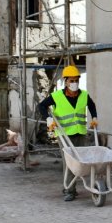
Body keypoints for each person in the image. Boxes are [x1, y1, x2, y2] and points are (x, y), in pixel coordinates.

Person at [37, 65, 98, 202]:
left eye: (76, 80)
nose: (74, 83)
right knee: (70, 163)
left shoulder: (84, 95)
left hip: (80, 132)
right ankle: (69, 190)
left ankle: (74, 186)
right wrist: (49, 119)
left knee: (81, 161)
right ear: (66, 81)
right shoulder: (57, 96)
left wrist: (94, 117)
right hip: (64, 134)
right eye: (71, 80)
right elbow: (41, 106)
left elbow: (92, 105)